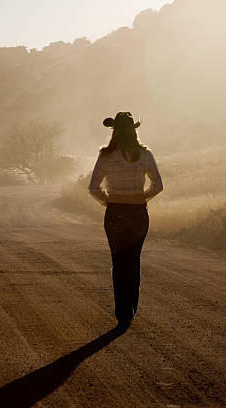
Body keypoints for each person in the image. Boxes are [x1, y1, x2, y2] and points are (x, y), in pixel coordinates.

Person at [88, 112, 163, 329]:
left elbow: (93, 187)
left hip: (115, 213)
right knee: (133, 260)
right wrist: (141, 197)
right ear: (134, 130)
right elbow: (158, 185)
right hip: (138, 212)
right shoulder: (145, 154)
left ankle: (122, 312)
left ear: (114, 131)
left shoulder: (106, 155)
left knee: (119, 262)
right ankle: (130, 309)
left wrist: (107, 200)